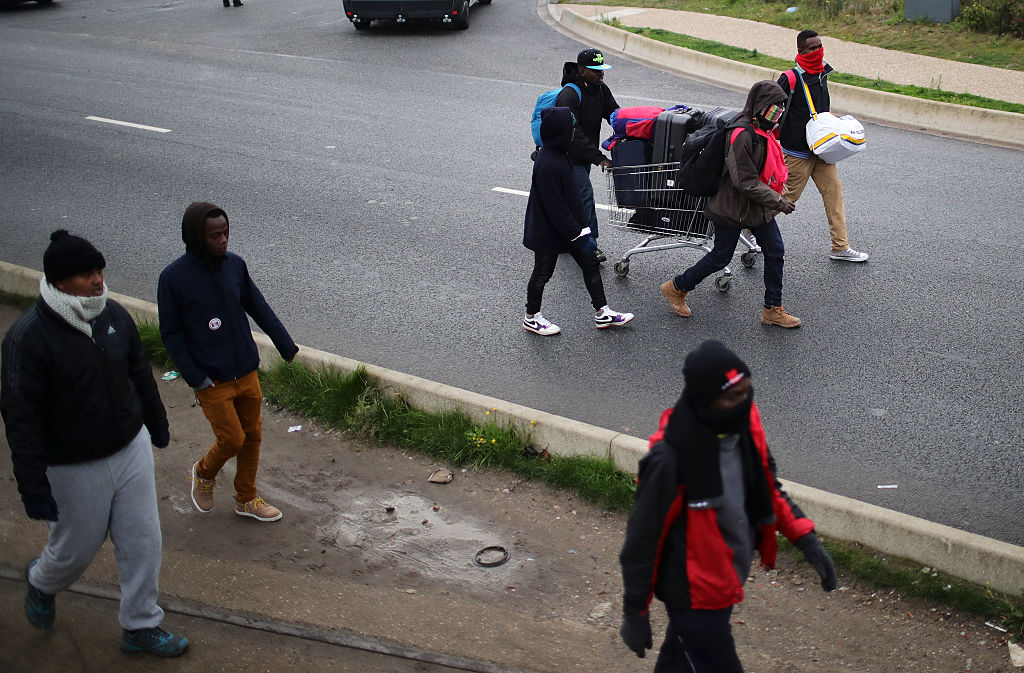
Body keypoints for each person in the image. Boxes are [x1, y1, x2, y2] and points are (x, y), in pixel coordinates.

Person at [1, 230, 188, 657]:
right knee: (74, 553)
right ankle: (41, 582)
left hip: (129, 448)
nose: (98, 280)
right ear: (61, 282)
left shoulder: (113, 316)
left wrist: (156, 425)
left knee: (143, 540)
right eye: (87, 274)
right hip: (71, 465)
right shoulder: (28, 341)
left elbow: (140, 373)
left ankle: (140, 625)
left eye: (100, 270)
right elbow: (21, 419)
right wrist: (33, 487)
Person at [618, 340, 836, 671]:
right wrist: (635, 611)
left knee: (681, 658)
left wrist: (805, 538)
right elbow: (642, 542)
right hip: (693, 598)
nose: (744, 402)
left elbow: (766, 485)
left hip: (727, 580)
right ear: (706, 403)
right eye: (732, 397)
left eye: (747, 391)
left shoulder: (746, 425)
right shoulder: (670, 460)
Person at [158, 202, 298, 522]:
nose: (223, 240)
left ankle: (246, 498)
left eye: (226, 233)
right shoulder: (173, 279)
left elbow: (256, 304)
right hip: (211, 378)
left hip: (245, 369)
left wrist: (285, 344)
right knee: (232, 438)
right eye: (214, 236)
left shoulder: (235, 265)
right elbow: (171, 333)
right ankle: (204, 473)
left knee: (252, 435)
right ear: (195, 237)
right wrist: (196, 377)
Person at [660, 80, 802, 328]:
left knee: (775, 250)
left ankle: (772, 308)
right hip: (732, 208)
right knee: (720, 258)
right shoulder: (741, 135)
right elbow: (744, 181)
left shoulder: (761, 129)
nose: (778, 112)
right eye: (773, 107)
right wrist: (777, 201)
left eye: (781, 107)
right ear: (759, 106)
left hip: (757, 207)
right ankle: (677, 287)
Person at [523, 106, 634, 336]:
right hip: (548, 232)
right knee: (543, 272)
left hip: (568, 229)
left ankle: (602, 312)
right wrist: (579, 235)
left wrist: (582, 229)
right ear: (559, 133)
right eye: (570, 129)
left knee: (590, 264)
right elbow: (556, 209)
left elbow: (570, 199)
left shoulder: (558, 154)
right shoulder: (548, 164)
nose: (573, 133)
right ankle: (531, 317)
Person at [776, 29, 869, 263]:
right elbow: (772, 109)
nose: (819, 51)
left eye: (820, 46)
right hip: (798, 152)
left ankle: (840, 247)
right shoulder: (789, 78)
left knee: (834, 193)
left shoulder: (822, 73)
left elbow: (821, 108)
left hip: (822, 149)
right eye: (813, 47)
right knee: (787, 197)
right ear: (801, 51)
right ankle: (748, 229)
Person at [556, 47, 620, 263]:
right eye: (595, 70)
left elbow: (614, 115)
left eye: (602, 69)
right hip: (566, 156)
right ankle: (589, 246)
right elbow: (573, 134)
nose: (601, 74)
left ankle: (565, 237)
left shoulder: (601, 89)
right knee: (584, 198)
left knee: (569, 199)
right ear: (582, 71)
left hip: (583, 156)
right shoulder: (570, 94)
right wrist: (599, 157)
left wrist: (632, 132)